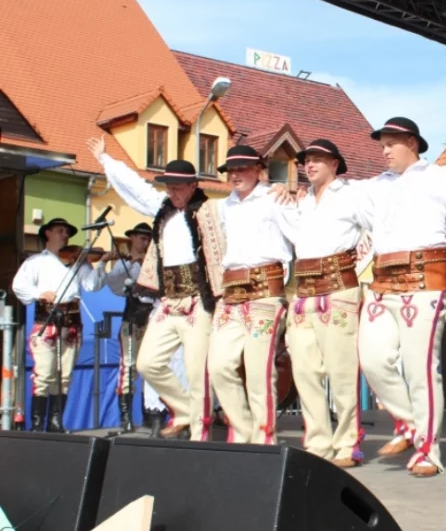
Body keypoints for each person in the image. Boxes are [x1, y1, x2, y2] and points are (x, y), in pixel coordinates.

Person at [89, 136, 226, 441]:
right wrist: (105, 160)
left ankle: (199, 432)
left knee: (196, 370)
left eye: (178, 187)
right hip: (168, 299)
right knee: (147, 362)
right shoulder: (162, 210)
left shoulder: (211, 212)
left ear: (193, 186)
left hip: (197, 299)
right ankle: (184, 410)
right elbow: (135, 188)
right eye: (169, 187)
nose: (173, 192)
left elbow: (245, 205)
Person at [357, 117, 446, 478]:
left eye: (391, 143)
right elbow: (336, 206)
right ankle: (408, 423)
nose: (384, 150)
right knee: (372, 359)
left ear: (412, 142)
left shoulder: (442, 177)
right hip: (382, 280)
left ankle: (428, 449)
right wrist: (289, 192)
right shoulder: (375, 186)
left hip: (425, 277)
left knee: (420, 368)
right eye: (382, 144)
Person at [283, 139, 370, 466]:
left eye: (318, 159)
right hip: (304, 291)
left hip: (338, 287)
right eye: (307, 160)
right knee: (304, 370)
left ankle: (348, 443)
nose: (310, 164)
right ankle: (319, 442)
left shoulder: (351, 194)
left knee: (342, 371)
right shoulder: (301, 201)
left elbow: (381, 222)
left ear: (335, 163)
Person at [209, 145, 296, 445]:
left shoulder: (274, 198)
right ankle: (244, 430)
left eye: (242, 168)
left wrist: (293, 193)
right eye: (231, 170)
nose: (235, 174)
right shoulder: (224, 206)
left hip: (265, 289)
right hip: (231, 293)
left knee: (259, 371)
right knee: (218, 366)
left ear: (258, 169)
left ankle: (264, 437)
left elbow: (301, 232)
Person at [12, 217, 108, 432]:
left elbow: (92, 285)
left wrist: (100, 264)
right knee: (44, 374)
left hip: (72, 321)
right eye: (60, 231)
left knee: (65, 375)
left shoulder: (77, 261)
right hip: (46, 319)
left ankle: (56, 422)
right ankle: (37, 423)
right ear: (48, 233)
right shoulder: (35, 261)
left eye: (67, 232)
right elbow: (19, 286)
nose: (65, 235)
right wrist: (40, 293)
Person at [103, 222, 154, 433]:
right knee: (129, 366)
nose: (146, 242)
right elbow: (114, 287)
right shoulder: (124, 265)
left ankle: (151, 415)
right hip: (132, 316)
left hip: (151, 315)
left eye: (148, 238)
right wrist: (127, 265)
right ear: (132, 238)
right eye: (142, 238)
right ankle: (126, 418)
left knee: (151, 366)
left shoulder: (154, 262)